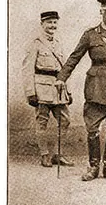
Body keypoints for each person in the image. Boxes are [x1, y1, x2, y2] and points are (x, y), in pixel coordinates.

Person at [56, 0, 106, 182]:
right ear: (101, 12)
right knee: (93, 129)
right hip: (96, 88)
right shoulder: (90, 35)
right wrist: (61, 78)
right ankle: (93, 167)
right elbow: (75, 57)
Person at [22, 11, 74, 167]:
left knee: (65, 121)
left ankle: (58, 154)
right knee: (42, 122)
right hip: (42, 89)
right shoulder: (36, 44)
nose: (52, 26)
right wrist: (30, 93)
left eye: (55, 22)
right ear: (42, 24)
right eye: (49, 22)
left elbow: (63, 70)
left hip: (58, 89)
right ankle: (44, 155)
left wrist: (68, 91)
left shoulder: (58, 44)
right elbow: (27, 69)